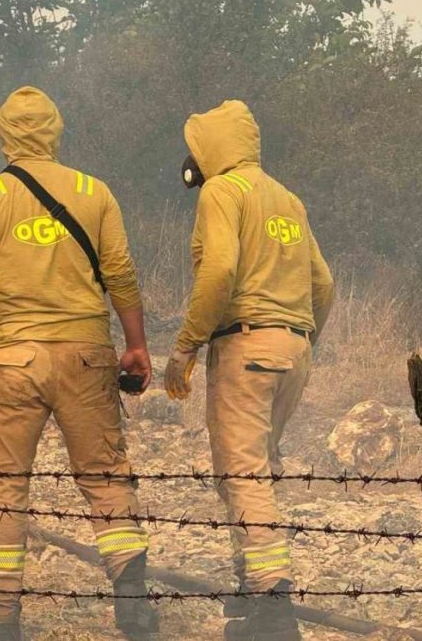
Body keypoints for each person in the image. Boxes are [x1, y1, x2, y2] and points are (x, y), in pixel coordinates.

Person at [0, 86, 158, 641]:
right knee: (106, 479)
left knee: (5, 486)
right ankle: (132, 601)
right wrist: (136, 344)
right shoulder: (94, 191)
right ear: (56, 131)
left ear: (4, 134)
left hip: (11, 362)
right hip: (86, 356)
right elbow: (121, 274)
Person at [164, 100, 335, 641]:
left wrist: (186, 346)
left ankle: (271, 603)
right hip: (294, 349)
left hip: (245, 347)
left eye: (193, 148)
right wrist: (301, 341)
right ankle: (250, 588)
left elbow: (219, 270)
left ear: (210, 147)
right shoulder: (287, 197)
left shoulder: (222, 191)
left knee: (243, 476)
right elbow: (323, 285)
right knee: (251, 470)